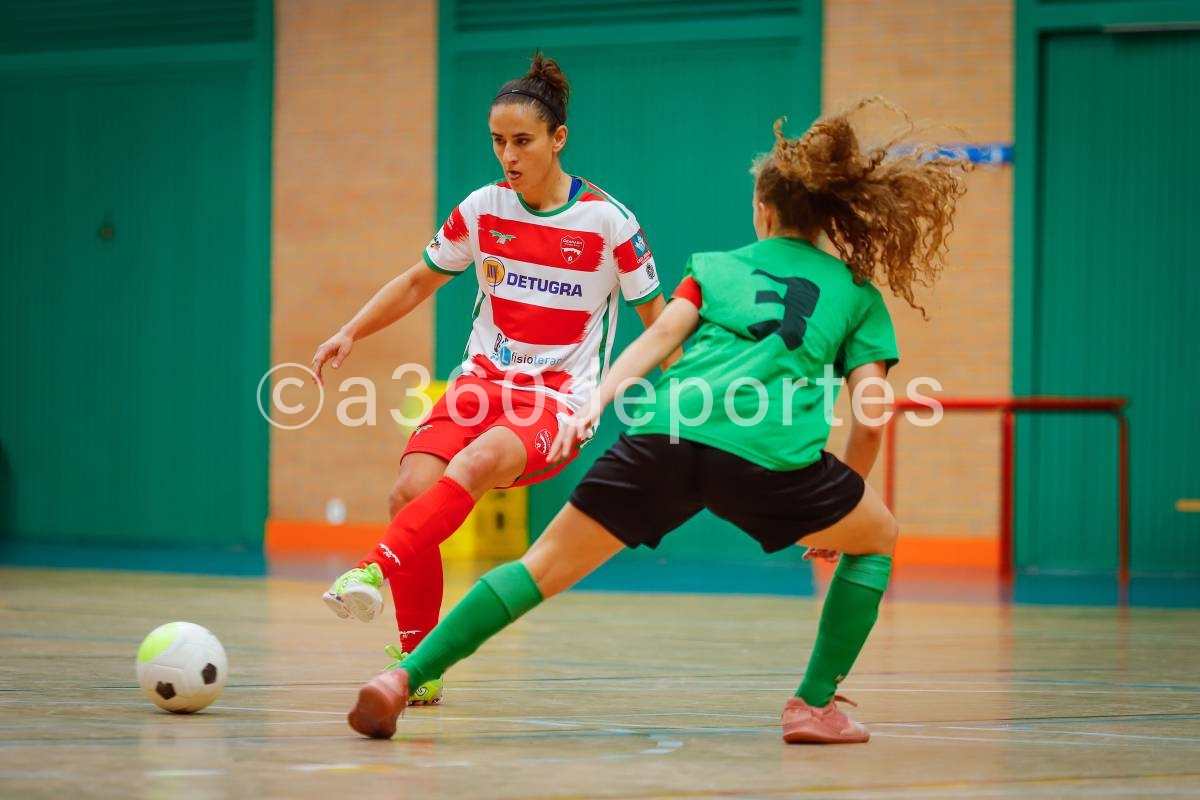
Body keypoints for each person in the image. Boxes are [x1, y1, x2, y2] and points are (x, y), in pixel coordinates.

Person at [344, 97, 969, 742]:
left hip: (662, 435)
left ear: (763, 210)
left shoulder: (716, 268)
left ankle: (404, 677)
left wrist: (594, 403)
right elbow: (870, 417)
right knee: (878, 535)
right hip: (770, 458)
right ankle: (812, 707)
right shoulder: (859, 296)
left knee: (540, 567)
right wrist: (841, 503)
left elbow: (659, 337)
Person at [310, 53, 667, 705]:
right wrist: (350, 331)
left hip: (556, 401)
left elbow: (659, 325)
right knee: (408, 493)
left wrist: (672, 400)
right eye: (498, 141)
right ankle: (419, 665)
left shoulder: (609, 223)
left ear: (559, 139)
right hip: (479, 385)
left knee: (473, 464)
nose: (508, 155)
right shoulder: (482, 209)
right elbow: (417, 281)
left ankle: (370, 569)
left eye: (522, 141)